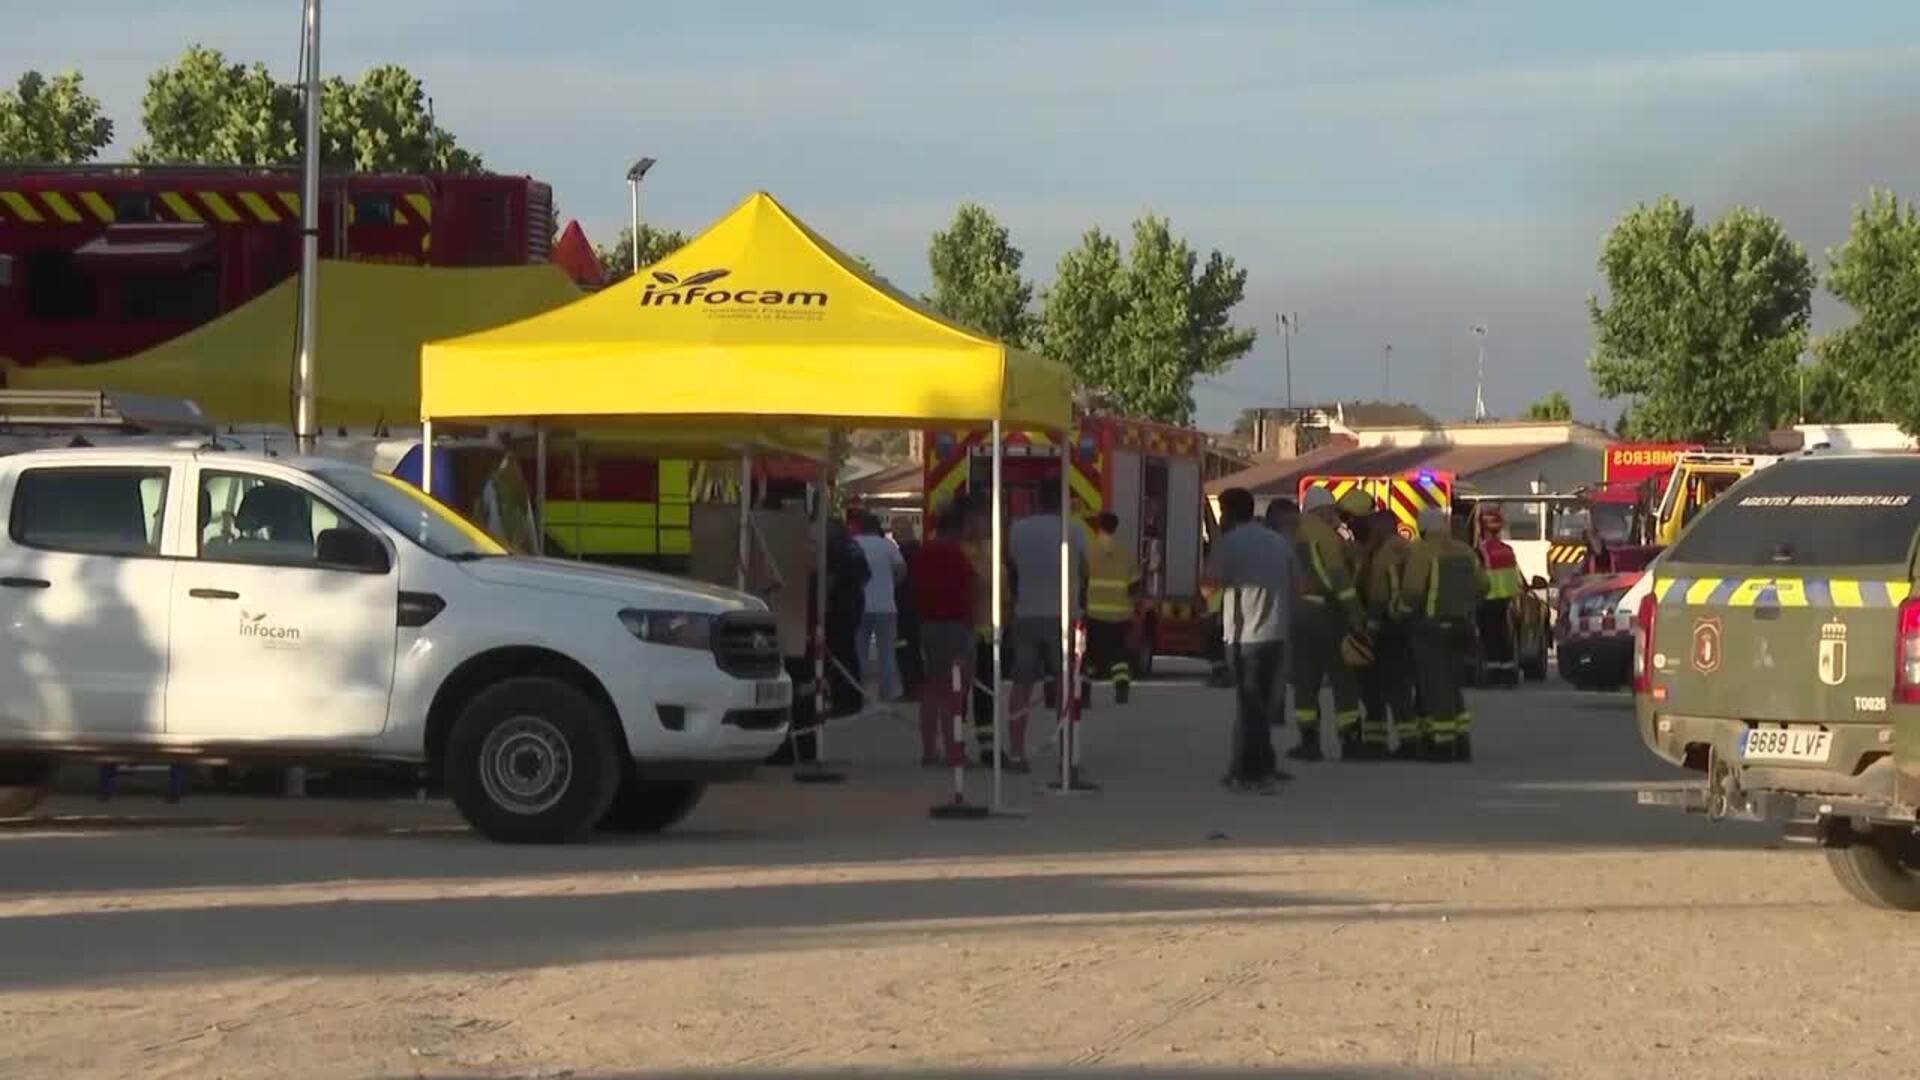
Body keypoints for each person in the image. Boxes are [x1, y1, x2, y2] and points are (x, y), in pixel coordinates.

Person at [1204, 487, 1295, 793]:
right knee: (1259, 704)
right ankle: (1250, 765)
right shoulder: (1278, 542)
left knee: (1250, 705)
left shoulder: (1229, 544)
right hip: (1277, 633)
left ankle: (1254, 773)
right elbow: (1301, 585)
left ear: (1229, 513)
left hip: (1245, 637)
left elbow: (1209, 586)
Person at [1005, 484, 1087, 772]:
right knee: (1065, 685)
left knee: (1021, 685)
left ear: (1036, 500)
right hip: (1063, 615)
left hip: (1026, 613)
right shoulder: (1074, 530)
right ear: (1063, 502)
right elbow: (1084, 568)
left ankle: (1016, 753)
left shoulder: (1018, 530)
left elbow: (1012, 565)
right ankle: (1066, 756)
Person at [1400, 505, 1488, 761]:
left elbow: (1413, 590)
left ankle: (1443, 745)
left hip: (1430, 629)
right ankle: (1461, 742)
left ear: (1422, 528)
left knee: (1435, 686)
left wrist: (1400, 611)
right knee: (1452, 685)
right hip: (1461, 628)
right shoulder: (1465, 551)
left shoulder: (1421, 550)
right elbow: (1484, 586)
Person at [1289, 487, 1368, 761]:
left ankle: (1308, 742)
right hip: (1326, 613)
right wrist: (1355, 613)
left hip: (1298, 614)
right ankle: (1351, 740)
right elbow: (1337, 578)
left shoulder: (1294, 534)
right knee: (1342, 678)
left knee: (1305, 680)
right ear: (1323, 510)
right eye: (1332, 511)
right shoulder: (1325, 536)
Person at [910, 506, 977, 767]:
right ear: (958, 528)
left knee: (931, 688)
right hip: (954, 625)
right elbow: (970, 587)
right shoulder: (956, 554)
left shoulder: (922, 553)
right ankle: (953, 751)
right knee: (955, 689)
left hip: (927, 624)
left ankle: (929, 750)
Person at [1357, 509, 1417, 760]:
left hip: (1386, 627)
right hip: (1407, 624)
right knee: (1399, 685)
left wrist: (1369, 627)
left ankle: (1380, 742)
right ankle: (1406, 738)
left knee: (1378, 685)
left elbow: (1378, 595)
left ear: (1381, 527)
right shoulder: (1409, 549)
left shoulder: (1384, 554)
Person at [1083, 512, 1142, 706]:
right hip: (1120, 614)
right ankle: (1122, 687)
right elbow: (1134, 586)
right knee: (1119, 654)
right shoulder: (1126, 553)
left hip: (1094, 613)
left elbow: (1081, 580)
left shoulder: (1089, 551)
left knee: (1090, 655)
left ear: (1099, 526)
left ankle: (1085, 693)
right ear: (1115, 528)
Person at [853, 513, 907, 704]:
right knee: (887, 653)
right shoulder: (888, 546)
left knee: (860, 652)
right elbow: (901, 570)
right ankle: (886, 694)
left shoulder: (855, 543)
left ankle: (861, 693)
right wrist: (891, 584)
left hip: (860, 606)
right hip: (886, 607)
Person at [822, 515, 869, 720]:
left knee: (838, 655)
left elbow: (830, 579)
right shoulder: (854, 547)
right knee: (848, 652)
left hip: (839, 608)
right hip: (855, 605)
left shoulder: (835, 548)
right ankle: (853, 700)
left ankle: (843, 701)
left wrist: (825, 598)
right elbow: (866, 576)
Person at [1476, 506, 1522, 686]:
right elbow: (1514, 578)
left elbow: (1477, 576)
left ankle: (1493, 675)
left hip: (1487, 600)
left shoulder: (1482, 551)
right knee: (1504, 640)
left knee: (1490, 641)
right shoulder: (1507, 550)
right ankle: (1507, 675)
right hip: (1506, 602)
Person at [892, 520, 925, 702]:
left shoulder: (902, 554)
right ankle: (917, 685)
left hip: (904, 608)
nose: (895, 536)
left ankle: (911, 687)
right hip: (917, 606)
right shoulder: (920, 551)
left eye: (896, 532)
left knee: (904, 647)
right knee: (913, 647)